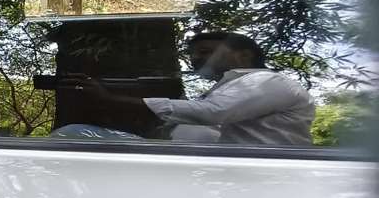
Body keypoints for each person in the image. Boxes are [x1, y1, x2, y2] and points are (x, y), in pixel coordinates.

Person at [56, 32, 315, 147]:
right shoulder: (235, 87)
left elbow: (213, 112)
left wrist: (111, 99)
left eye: (206, 52)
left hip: (252, 175)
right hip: (202, 169)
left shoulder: (268, 81)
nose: (196, 60)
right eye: (193, 55)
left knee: (73, 134)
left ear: (244, 56)